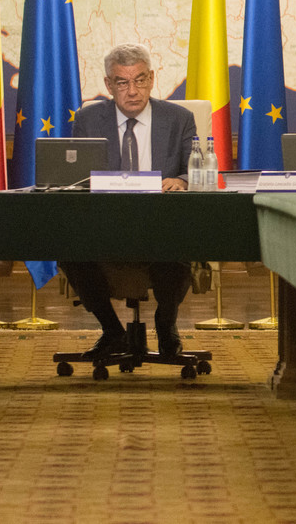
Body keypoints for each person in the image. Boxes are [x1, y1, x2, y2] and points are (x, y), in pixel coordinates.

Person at [60, 43, 196, 360]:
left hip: (162, 223)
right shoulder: (89, 119)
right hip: (104, 225)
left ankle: (166, 324)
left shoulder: (179, 119)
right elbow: (76, 178)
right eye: (122, 82)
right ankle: (112, 331)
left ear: (152, 79)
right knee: (67, 245)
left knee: (181, 242)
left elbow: (196, 167)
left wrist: (182, 180)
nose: (133, 91)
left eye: (140, 80)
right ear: (108, 85)